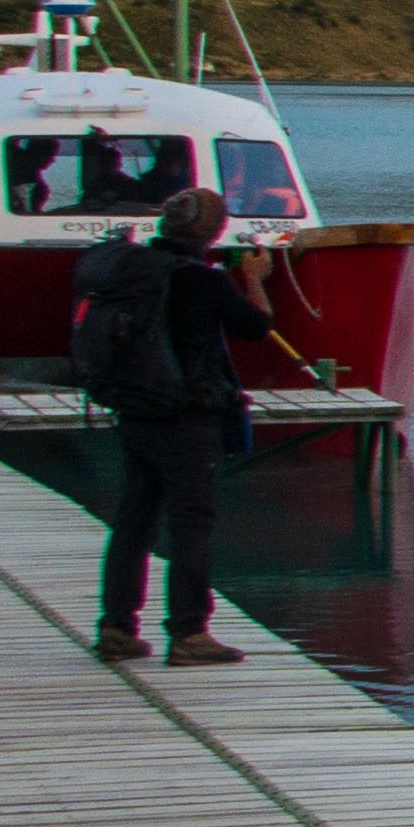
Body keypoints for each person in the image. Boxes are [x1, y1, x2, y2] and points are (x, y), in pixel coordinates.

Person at [84, 189, 282, 667]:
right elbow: (256, 326)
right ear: (211, 232)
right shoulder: (201, 280)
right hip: (188, 415)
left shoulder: (135, 270)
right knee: (191, 525)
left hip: (136, 408)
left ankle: (116, 627)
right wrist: (254, 279)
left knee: (134, 520)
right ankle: (190, 633)